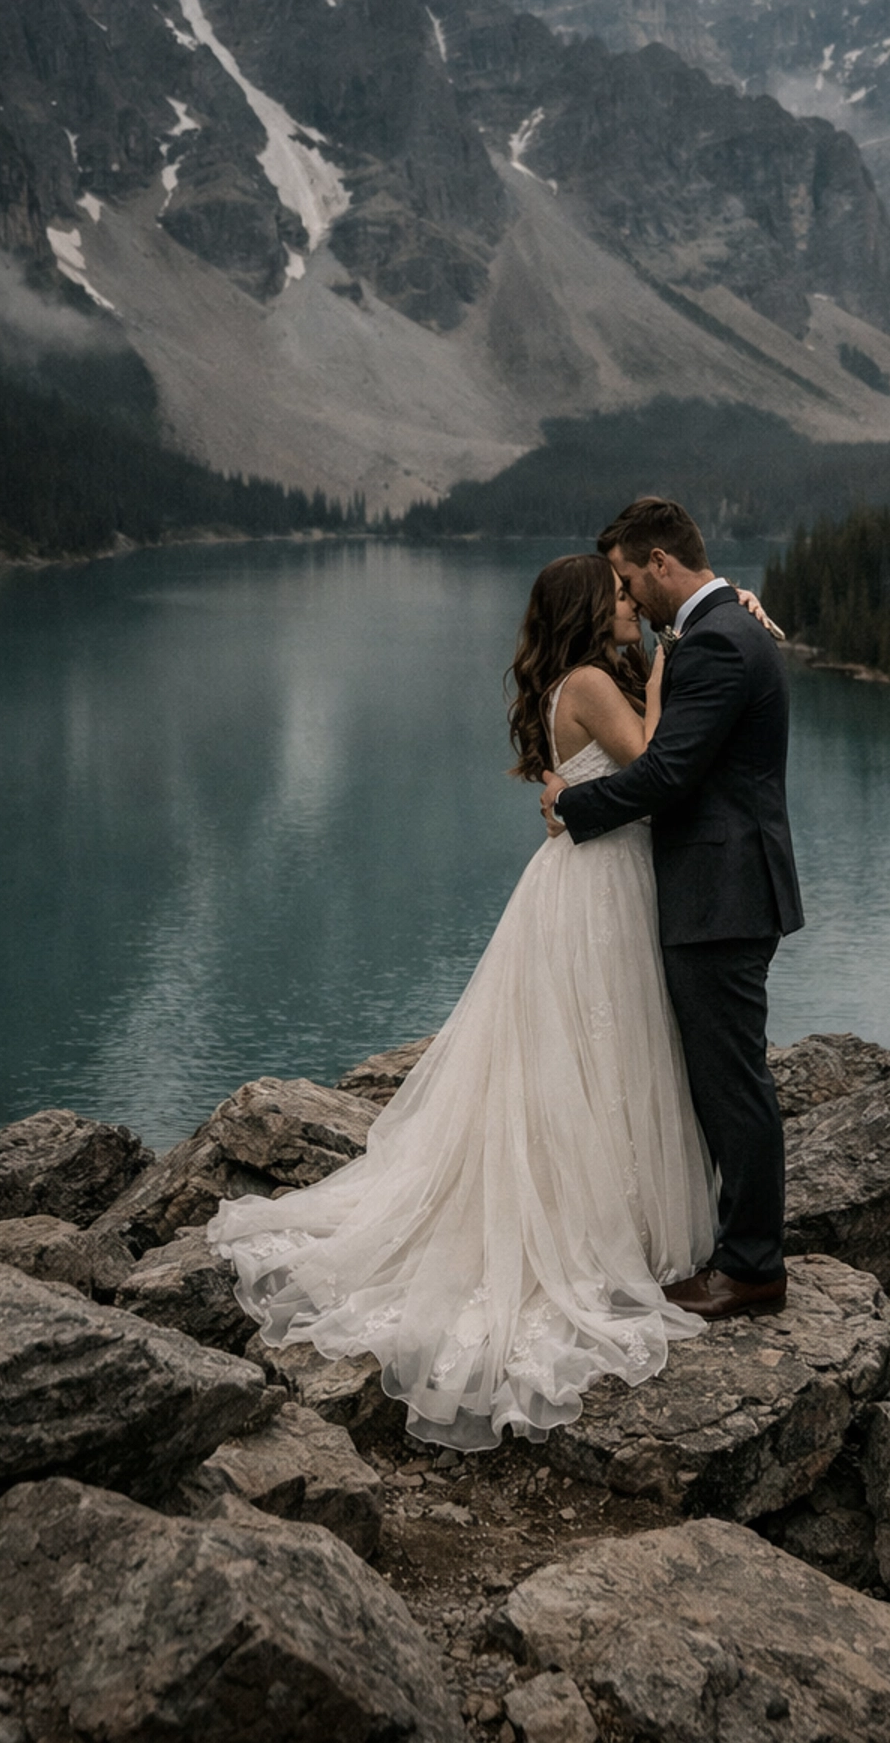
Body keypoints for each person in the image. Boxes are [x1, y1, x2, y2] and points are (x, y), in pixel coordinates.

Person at [210, 550, 731, 1451]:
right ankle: (607, 1227)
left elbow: (595, 781)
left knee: (587, 1051)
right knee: (605, 1051)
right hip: (603, 887)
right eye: (616, 597)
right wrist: (673, 663)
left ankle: (615, 1217)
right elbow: (654, 762)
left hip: (586, 877)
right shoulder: (597, 685)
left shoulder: (566, 681)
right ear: (585, 608)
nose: (630, 606)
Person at [541, 496, 803, 1321]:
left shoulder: (720, 641)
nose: (625, 595)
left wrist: (571, 809)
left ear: (660, 563)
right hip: (719, 889)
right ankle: (734, 1251)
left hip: (722, 894)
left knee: (731, 1082)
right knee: (722, 1076)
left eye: (626, 577)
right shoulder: (719, 630)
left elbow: (669, 774)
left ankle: (752, 1268)